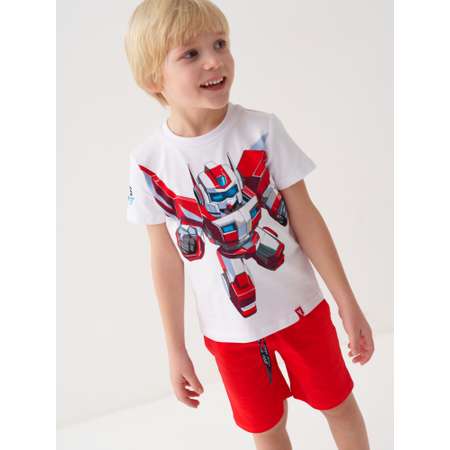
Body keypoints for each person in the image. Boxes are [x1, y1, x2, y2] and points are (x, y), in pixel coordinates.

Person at [124, 1, 374, 449]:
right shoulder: (149, 163)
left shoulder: (261, 130)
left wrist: (346, 301)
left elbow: (306, 218)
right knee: (265, 428)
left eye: (220, 44)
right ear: (153, 79)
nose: (214, 60)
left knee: (338, 403)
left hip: (301, 310)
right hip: (231, 333)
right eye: (191, 53)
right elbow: (165, 259)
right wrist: (176, 349)